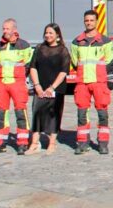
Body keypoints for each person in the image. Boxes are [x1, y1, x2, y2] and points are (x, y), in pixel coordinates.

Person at [71, 9, 113, 155]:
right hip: (82, 82)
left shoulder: (105, 41)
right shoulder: (76, 42)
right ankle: (83, 143)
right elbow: (75, 62)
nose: (89, 23)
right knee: (82, 114)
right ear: (84, 22)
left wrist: (100, 73)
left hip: (99, 82)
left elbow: (110, 60)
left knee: (102, 113)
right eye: (86, 20)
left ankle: (103, 143)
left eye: (91, 20)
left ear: (96, 22)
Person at [0, 18, 33, 156]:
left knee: (21, 112)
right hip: (2, 83)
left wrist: (21, 77)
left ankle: (23, 142)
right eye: (3, 29)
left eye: (7, 29)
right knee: (1, 113)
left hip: (17, 82)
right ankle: (0, 142)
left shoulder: (24, 45)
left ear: (14, 29)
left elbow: (29, 63)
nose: (4, 31)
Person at [26, 23, 70, 155]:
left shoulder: (63, 50)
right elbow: (33, 67)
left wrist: (52, 87)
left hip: (56, 88)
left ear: (57, 35)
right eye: (46, 33)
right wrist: (37, 85)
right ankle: (34, 143)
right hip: (40, 86)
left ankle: (52, 143)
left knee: (53, 115)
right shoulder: (40, 48)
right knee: (37, 113)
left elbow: (64, 71)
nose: (48, 35)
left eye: (51, 33)